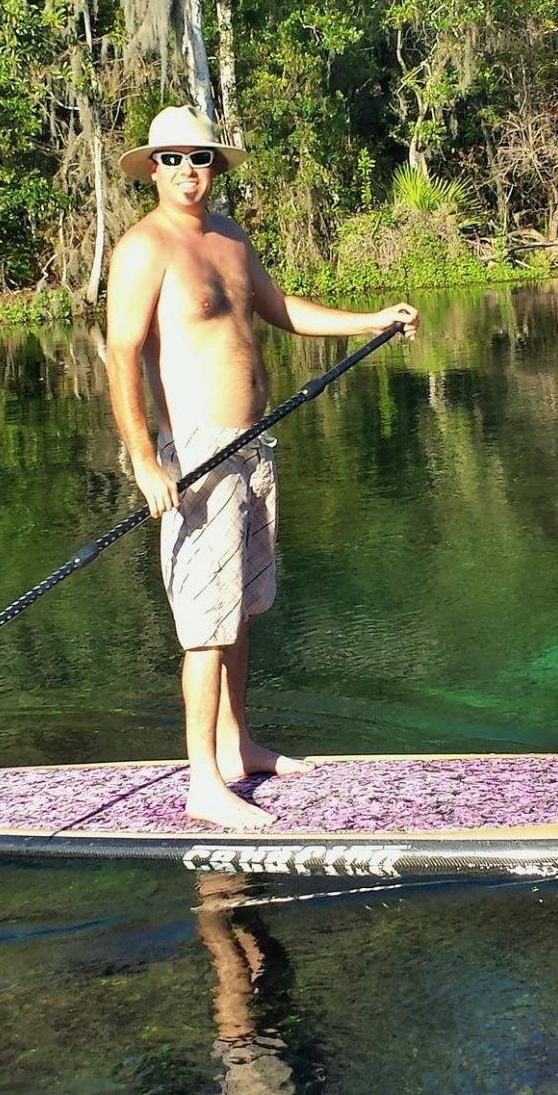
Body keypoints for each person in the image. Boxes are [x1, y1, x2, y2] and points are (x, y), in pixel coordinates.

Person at [105, 105, 419, 829]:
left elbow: (282, 311)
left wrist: (372, 319)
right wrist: (145, 462)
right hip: (196, 456)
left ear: (215, 166)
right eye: (175, 158)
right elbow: (122, 356)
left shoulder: (230, 237)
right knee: (204, 626)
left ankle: (236, 745)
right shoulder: (144, 249)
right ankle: (202, 783)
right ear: (152, 167)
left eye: (201, 157)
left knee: (241, 610)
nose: (189, 170)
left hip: (255, 447)